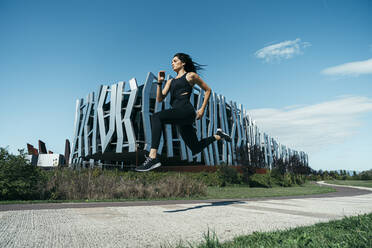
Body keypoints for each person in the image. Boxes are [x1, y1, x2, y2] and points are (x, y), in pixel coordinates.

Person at [135, 53, 232, 172]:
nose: (172, 63)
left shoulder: (190, 76)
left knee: (156, 117)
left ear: (183, 63)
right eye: (172, 62)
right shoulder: (170, 81)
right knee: (195, 148)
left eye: (175, 61)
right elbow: (159, 98)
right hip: (180, 117)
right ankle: (218, 136)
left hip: (186, 111)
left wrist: (202, 109)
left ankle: (153, 157)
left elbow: (208, 90)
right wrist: (160, 83)